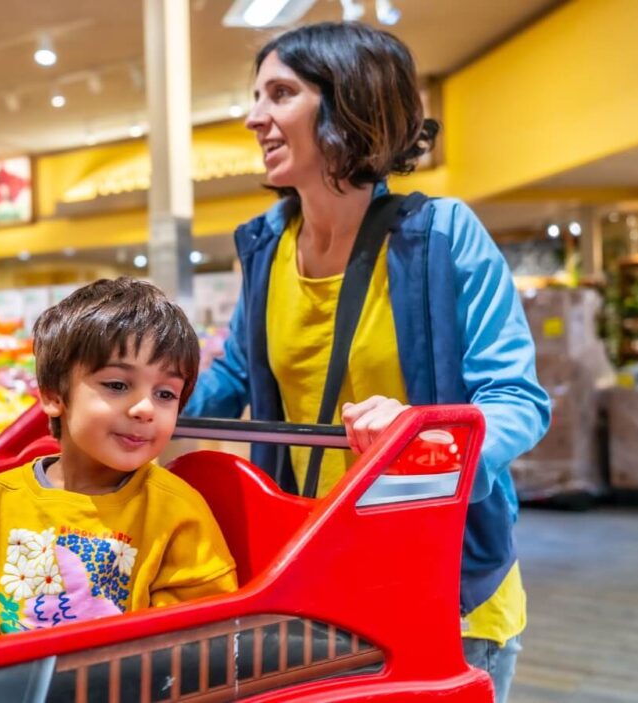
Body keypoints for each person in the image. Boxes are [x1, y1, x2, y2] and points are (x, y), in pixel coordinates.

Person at [182, 22, 549, 702]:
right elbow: (234, 376)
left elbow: (518, 401)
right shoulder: (266, 247)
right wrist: (135, 398)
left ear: (348, 105)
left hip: (444, 589)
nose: (253, 116)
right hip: (309, 582)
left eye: (280, 93)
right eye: (255, 95)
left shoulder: (441, 235)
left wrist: (422, 440)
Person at [0, 278, 238, 643]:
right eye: (117, 385)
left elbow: (197, 641)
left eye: (165, 394)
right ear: (53, 395)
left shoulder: (176, 513)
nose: (145, 408)